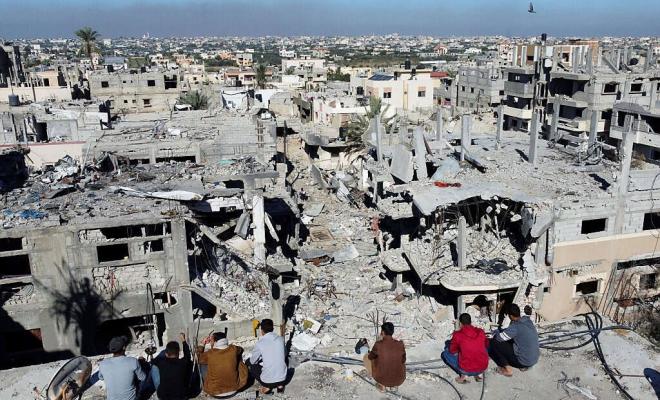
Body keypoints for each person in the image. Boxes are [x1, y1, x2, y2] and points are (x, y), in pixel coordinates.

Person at [489, 304, 540, 377]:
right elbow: (512, 332)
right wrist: (503, 331)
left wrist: (496, 332)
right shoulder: (527, 320)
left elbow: (499, 338)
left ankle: (507, 370)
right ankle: (524, 366)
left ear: (511, 316)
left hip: (523, 361)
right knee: (510, 339)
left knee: (494, 342)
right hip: (534, 359)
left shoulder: (515, 327)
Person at [197, 331, 249, 398]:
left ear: (215, 341)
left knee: (202, 364)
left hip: (215, 392)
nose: (210, 341)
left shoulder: (209, 354)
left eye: (211, 340)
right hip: (234, 389)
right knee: (236, 358)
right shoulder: (233, 349)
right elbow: (241, 349)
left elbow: (197, 357)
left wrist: (202, 343)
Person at [442, 313, 489, 383]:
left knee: (445, 353)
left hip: (466, 369)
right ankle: (479, 374)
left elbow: (452, 350)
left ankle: (464, 375)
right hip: (483, 367)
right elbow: (486, 344)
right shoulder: (480, 331)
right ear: (471, 322)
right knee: (481, 348)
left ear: (460, 323)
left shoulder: (457, 335)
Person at [98, 336, 147, 400]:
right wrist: (142, 364)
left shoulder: (103, 363)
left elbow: (101, 377)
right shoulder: (133, 361)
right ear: (124, 347)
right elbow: (143, 378)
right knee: (145, 369)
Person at [248, 319, 288, 394]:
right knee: (284, 359)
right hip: (282, 379)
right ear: (273, 329)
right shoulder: (280, 339)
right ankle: (280, 387)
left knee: (250, 364)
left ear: (262, 330)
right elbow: (285, 354)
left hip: (267, 381)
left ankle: (267, 387)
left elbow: (253, 361)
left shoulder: (260, 343)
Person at [362, 322, 406, 391]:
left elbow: (370, 357)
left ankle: (382, 385)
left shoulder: (378, 344)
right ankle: (394, 385)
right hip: (399, 380)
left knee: (366, 357)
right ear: (392, 332)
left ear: (382, 332)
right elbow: (403, 360)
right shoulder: (400, 344)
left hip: (382, 379)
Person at [151, 333, 192, 400]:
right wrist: (183, 340)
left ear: (166, 354)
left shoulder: (161, 362)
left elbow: (152, 361)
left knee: (154, 368)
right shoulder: (183, 363)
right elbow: (187, 355)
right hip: (181, 396)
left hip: (164, 396)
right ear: (178, 353)